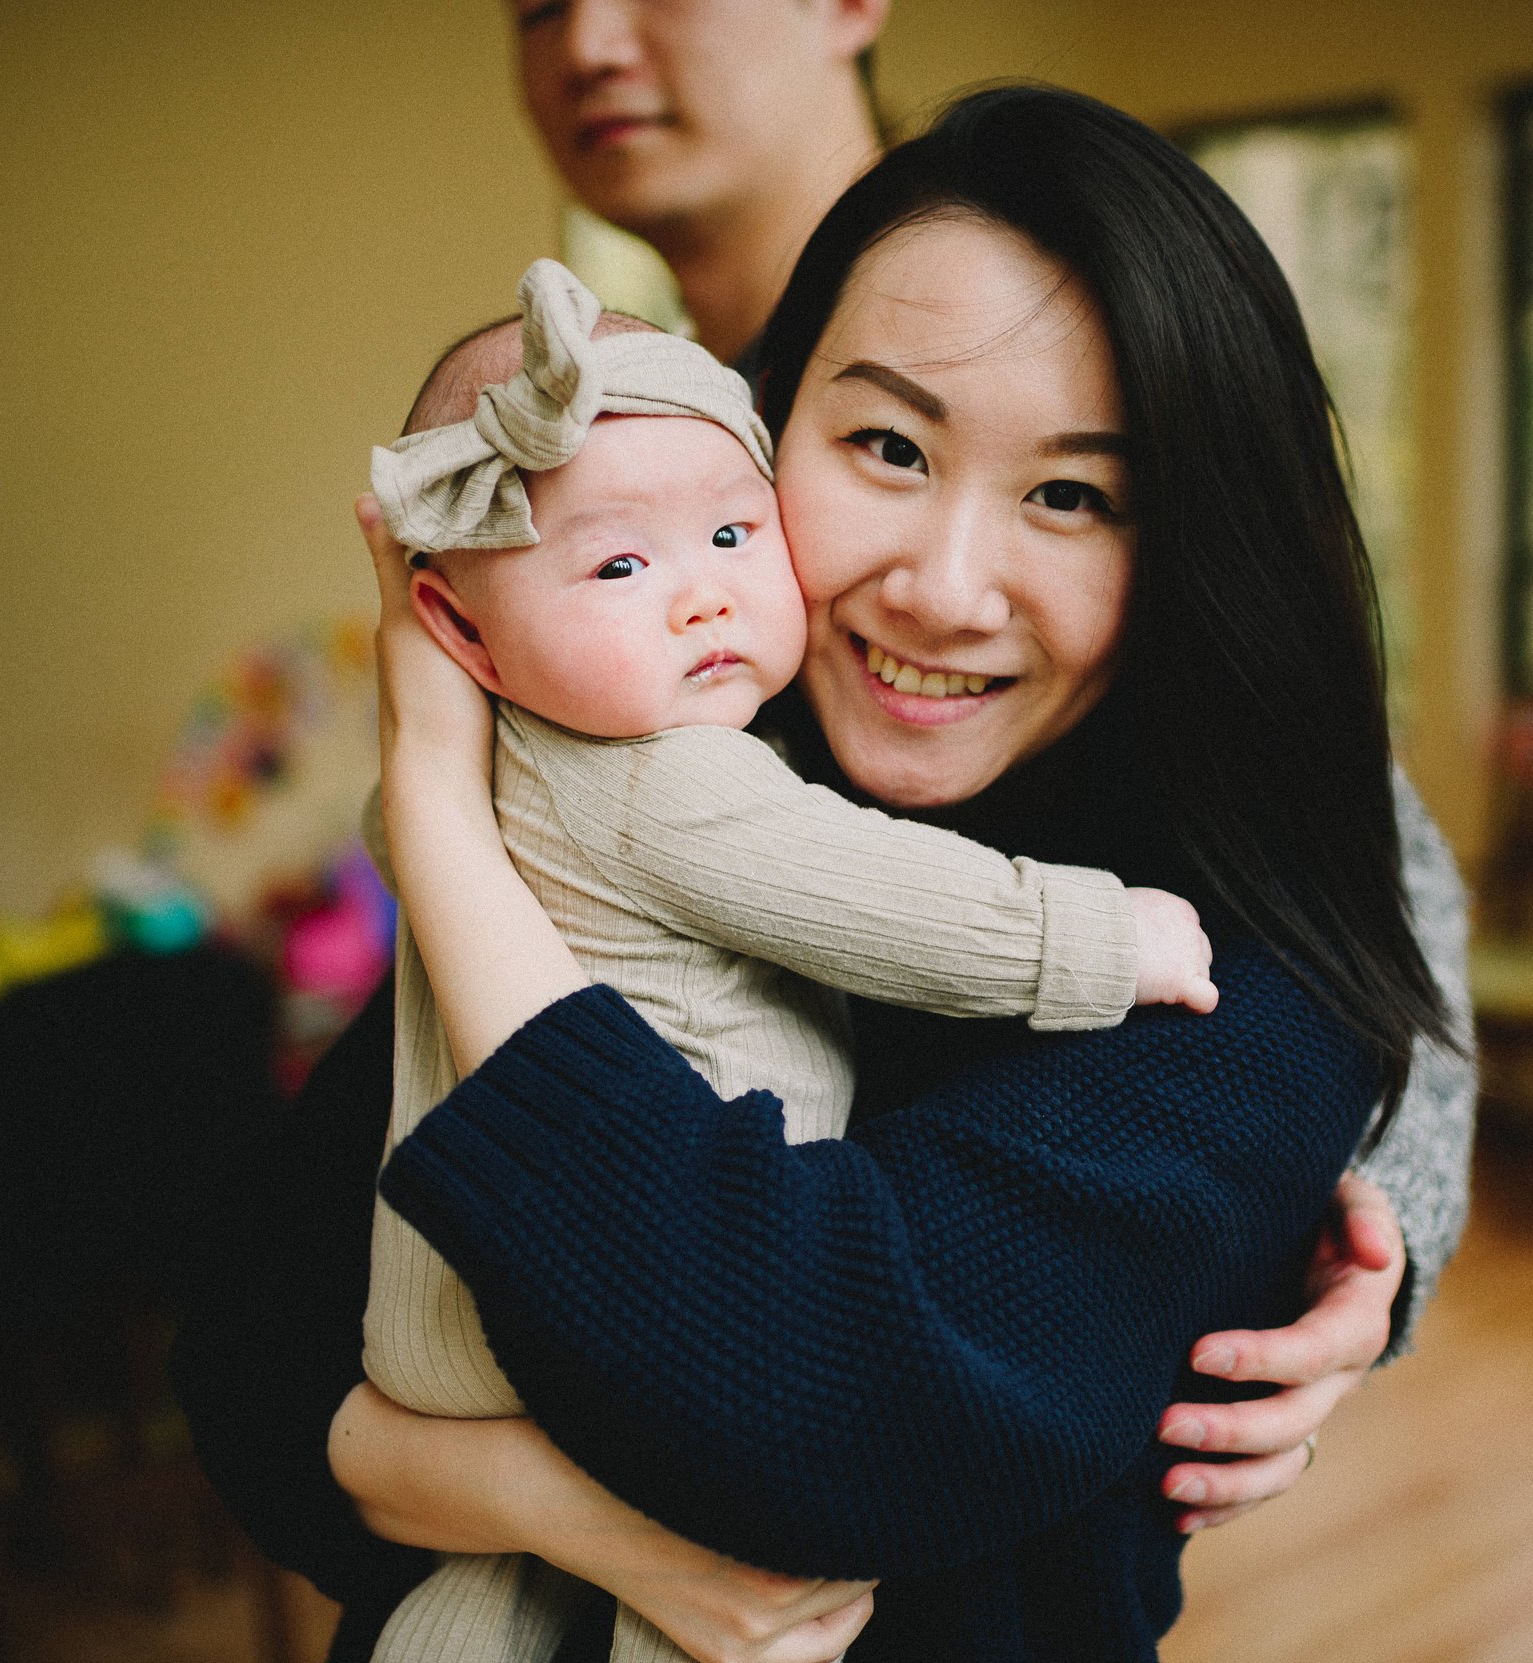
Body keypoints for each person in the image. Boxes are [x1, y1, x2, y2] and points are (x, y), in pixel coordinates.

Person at [342, 86, 1460, 1661]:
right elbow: (256, 1352)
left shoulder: (1233, 992)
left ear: (1198, 548)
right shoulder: (665, 765)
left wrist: (441, 809)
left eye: (1073, 496)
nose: (942, 591)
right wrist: (521, 1502)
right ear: (764, 426)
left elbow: (818, 1399)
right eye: (884, 444)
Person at [360, 256, 1217, 1663]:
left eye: (732, 538)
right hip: (586, 1296)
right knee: (701, 1603)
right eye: (620, 566)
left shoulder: (487, 778)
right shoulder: (671, 781)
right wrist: (1104, 935)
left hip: (435, 1312)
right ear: (461, 632)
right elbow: (883, 898)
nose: (697, 600)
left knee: (481, 1615)